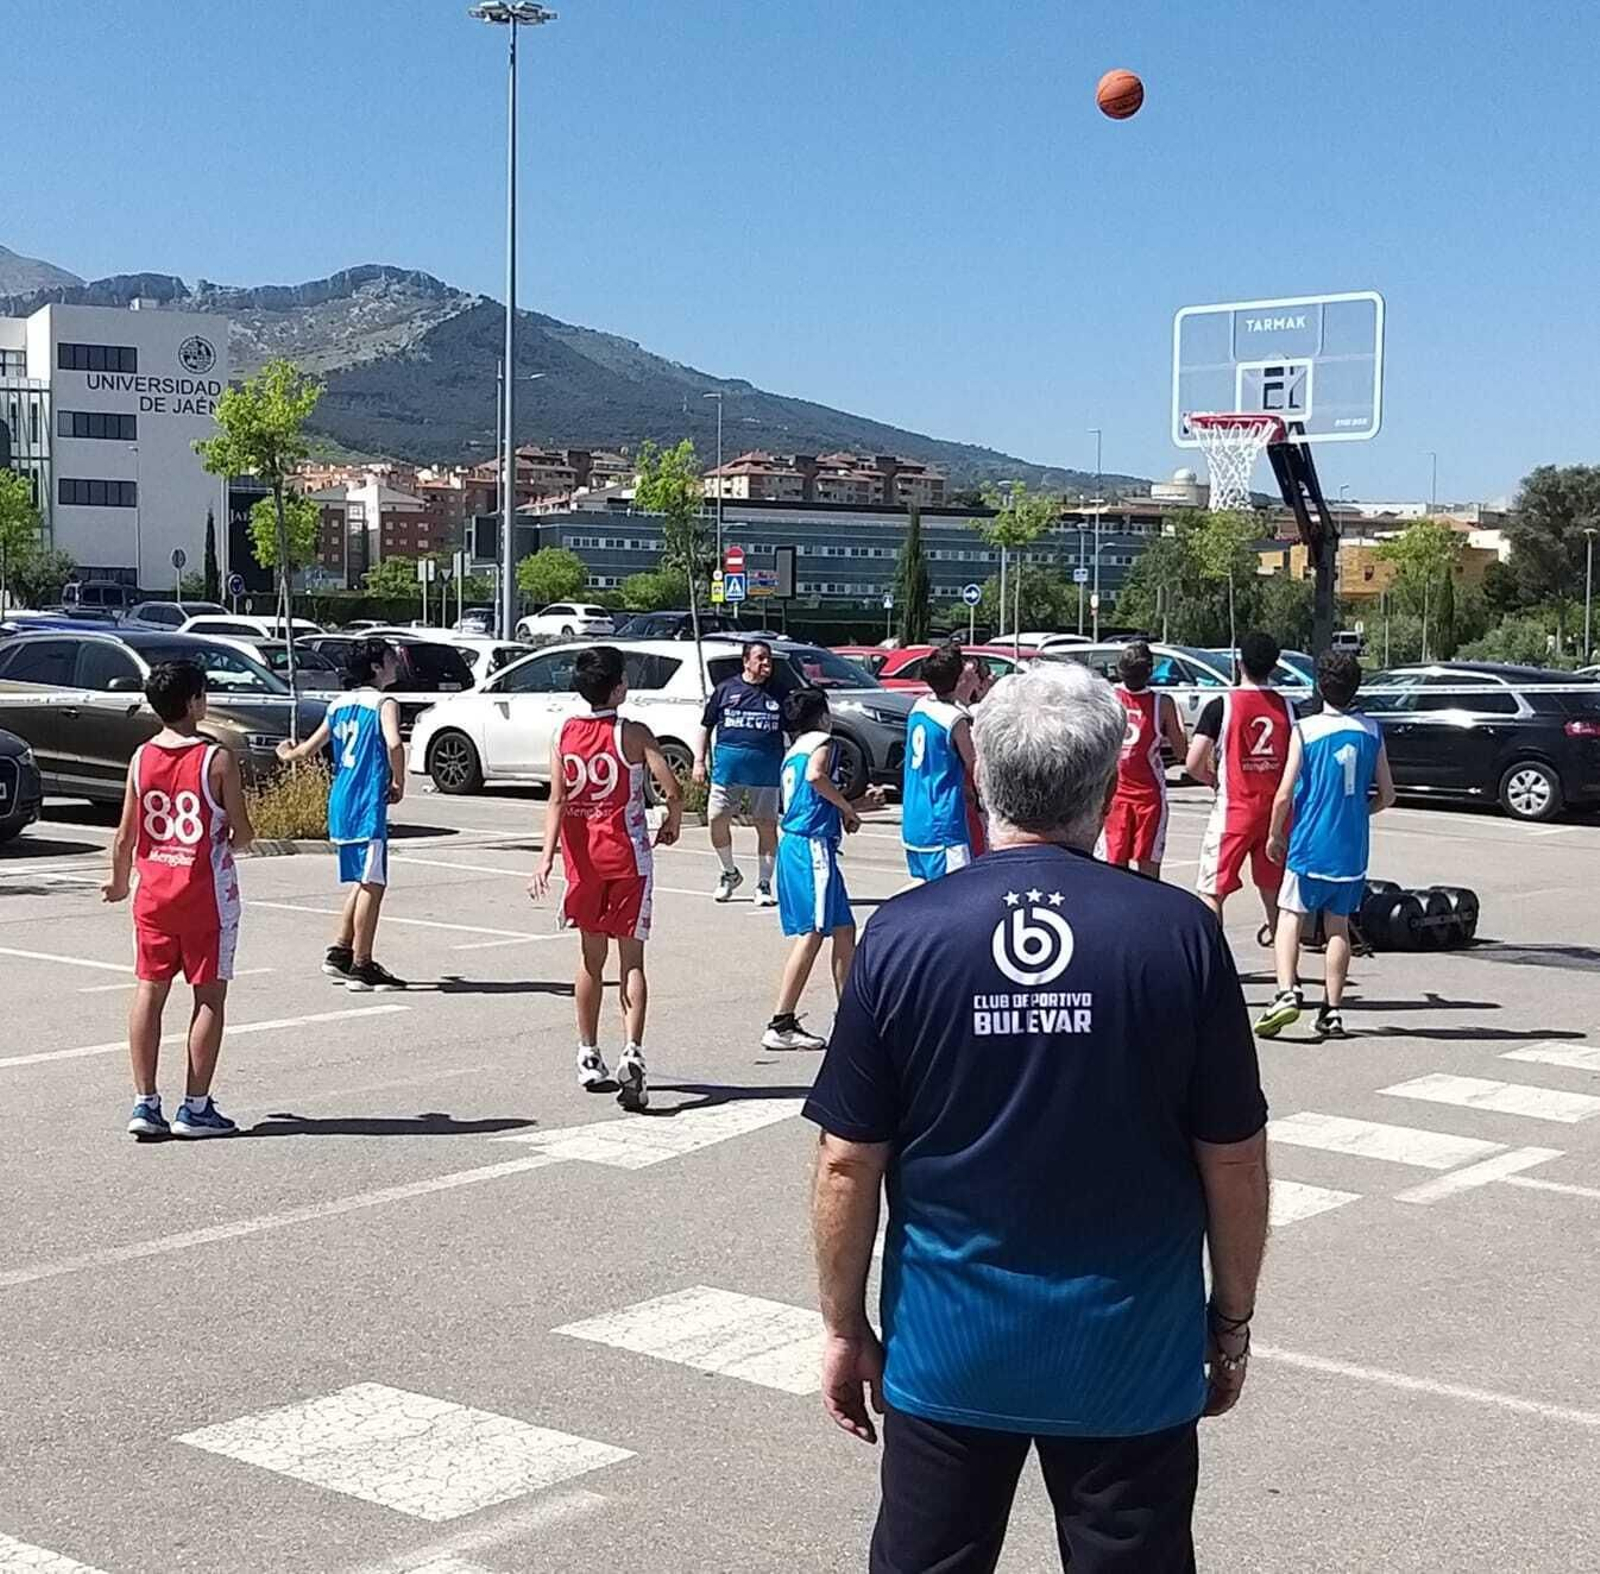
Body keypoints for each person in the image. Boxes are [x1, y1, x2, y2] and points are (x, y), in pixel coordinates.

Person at [805, 662, 1268, 1574]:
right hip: (1128, 1352)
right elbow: (1235, 1160)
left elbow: (846, 1162)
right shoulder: (1178, 936)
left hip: (950, 1347)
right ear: (1105, 782)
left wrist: (843, 1325)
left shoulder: (904, 933)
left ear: (980, 779)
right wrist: (1230, 1322)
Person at [101, 662, 254, 1139]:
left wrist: (119, 881)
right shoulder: (217, 758)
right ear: (192, 702)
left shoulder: (141, 757)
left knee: (150, 990)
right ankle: (196, 1106)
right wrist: (228, 834)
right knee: (208, 996)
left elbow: (126, 835)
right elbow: (243, 833)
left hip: (154, 894)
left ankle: (145, 1102)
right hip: (205, 895)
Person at [531, 645, 683, 1110]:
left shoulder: (564, 733)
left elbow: (556, 800)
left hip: (584, 862)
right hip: (627, 858)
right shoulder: (633, 732)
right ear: (617, 686)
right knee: (631, 962)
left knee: (590, 959)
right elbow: (670, 786)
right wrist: (672, 817)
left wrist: (546, 857)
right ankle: (632, 1052)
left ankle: (587, 1052)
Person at [1256, 649, 1395, 1041]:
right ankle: (1332, 1011)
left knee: (1290, 916)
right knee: (1338, 927)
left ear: (1320, 685)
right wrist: (1358, 812)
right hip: (1351, 849)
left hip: (1310, 842)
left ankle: (1287, 990)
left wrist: (1275, 833)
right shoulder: (1372, 730)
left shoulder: (1306, 729)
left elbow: (1284, 794)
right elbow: (1387, 793)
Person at [276, 638, 407, 991]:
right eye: (390, 659)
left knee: (363, 879)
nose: (395, 664)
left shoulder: (339, 705)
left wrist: (287, 754)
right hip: (366, 801)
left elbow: (308, 748)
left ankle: (340, 949)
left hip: (341, 799)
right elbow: (394, 743)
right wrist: (398, 781)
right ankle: (362, 963)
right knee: (374, 884)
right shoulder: (383, 702)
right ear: (377, 668)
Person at [762, 686, 864, 1052]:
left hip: (800, 839)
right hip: (810, 845)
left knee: (844, 928)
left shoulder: (794, 751)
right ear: (822, 714)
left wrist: (847, 808)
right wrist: (847, 809)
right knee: (813, 932)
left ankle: (850, 1013)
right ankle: (781, 1021)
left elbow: (810, 793)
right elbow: (816, 778)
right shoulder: (822, 742)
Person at [1188, 631, 1299, 943]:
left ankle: (1213, 966)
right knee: (1275, 894)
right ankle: (1286, 975)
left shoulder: (1221, 705)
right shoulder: (1289, 709)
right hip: (1276, 813)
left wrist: (1214, 780)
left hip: (1233, 811)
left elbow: (1193, 763)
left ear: (1239, 663)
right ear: (1275, 666)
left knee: (1212, 891)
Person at [693, 639, 783, 905]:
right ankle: (728, 872)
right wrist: (699, 761)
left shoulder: (779, 693)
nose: (766, 663)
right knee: (717, 817)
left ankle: (764, 884)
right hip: (727, 770)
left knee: (766, 825)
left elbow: (795, 730)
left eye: (769, 659)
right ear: (746, 661)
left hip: (766, 772)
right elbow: (705, 726)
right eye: (761, 658)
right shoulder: (726, 690)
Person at [1101, 641, 1187, 878]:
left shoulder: (1110, 697)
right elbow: (1181, 751)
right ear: (1149, 671)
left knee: (1118, 866)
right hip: (1130, 793)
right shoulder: (1162, 703)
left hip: (1128, 793)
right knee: (1144, 868)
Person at [900, 644, 978, 882]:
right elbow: (974, 766)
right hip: (943, 820)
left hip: (914, 815)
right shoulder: (954, 720)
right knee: (957, 895)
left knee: (924, 893)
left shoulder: (919, 708)